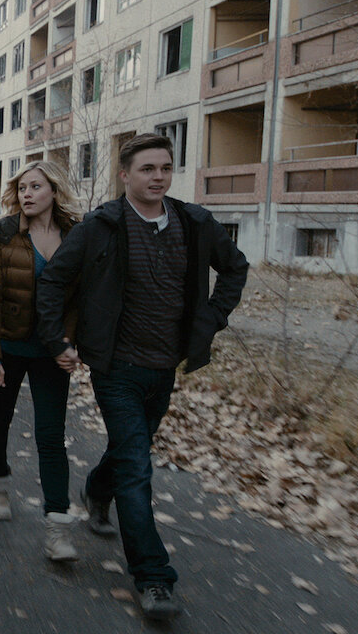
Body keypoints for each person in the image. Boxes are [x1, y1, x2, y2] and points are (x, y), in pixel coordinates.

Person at [36, 133, 249, 621]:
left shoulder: (194, 222)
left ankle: (97, 490)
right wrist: (58, 340)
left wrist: (212, 318)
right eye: (147, 169)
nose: (158, 177)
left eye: (165, 168)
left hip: (164, 366)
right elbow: (54, 281)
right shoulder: (101, 226)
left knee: (128, 453)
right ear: (125, 175)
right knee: (137, 467)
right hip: (116, 369)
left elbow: (235, 268)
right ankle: (153, 577)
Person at [0, 161, 82, 561]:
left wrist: (72, 343)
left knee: (51, 436)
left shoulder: (75, 235)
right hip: (8, 347)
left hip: (52, 353)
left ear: (54, 190)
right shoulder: (3, 234)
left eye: (36, 187)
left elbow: (82, 298)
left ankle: (58, 528)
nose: (27, 194)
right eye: (22, 188)